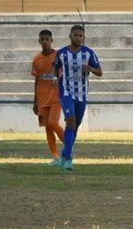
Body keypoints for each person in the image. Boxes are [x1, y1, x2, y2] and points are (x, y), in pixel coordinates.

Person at [54, 24, 102, 171]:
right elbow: (56, 68)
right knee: (70, 121)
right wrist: (58, 78)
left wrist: (91, 69)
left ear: (84, 38)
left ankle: (64, 153)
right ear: (70, 36)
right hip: (66, 92)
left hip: (82, 93)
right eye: (75, 35)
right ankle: (68, 159)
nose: (78, 38)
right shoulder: (61, 53)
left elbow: (100, 72)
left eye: (80, 36)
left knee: (74, 126)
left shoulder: (89, 53)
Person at [31, 29, 65, 166]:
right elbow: (37, 81)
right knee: (48, 128)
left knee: (52, 123)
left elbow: (64, 73)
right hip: (42, 99)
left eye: (47, 39)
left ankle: (69, 147)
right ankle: (56, 158)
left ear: (51, 40)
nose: (45, 42)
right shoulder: (37, 59)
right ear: (39, 41)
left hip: (57, 98)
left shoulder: (59, 56)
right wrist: (35, 102)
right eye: (42, 39)